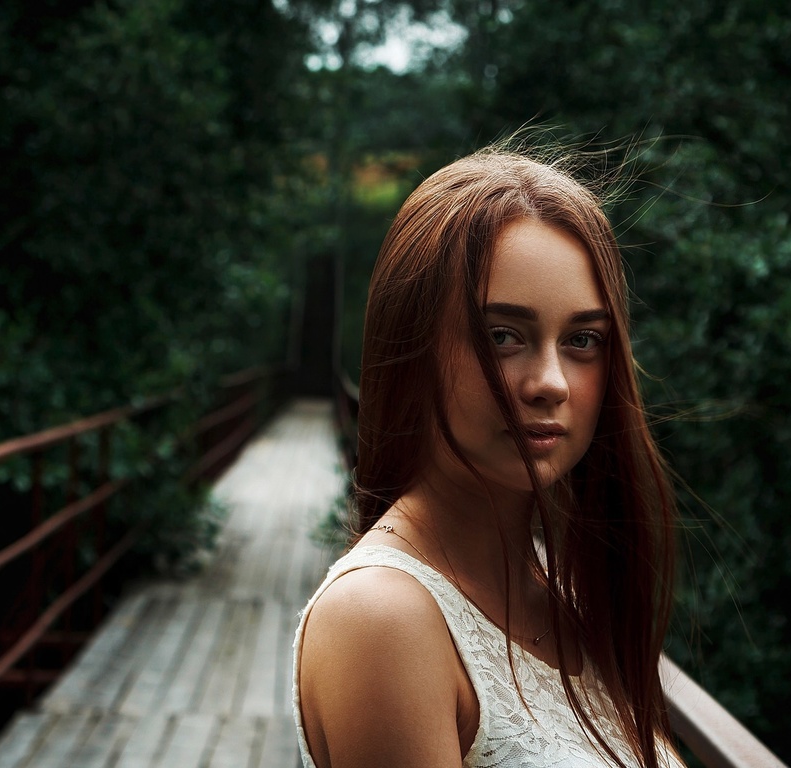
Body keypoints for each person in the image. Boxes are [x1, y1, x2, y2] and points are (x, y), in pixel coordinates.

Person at [292, 142, 683, 768]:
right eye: (503, 336)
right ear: (412, 346)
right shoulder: (381, 620)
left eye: (583, 340)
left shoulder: (562, 593)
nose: (550, 381)